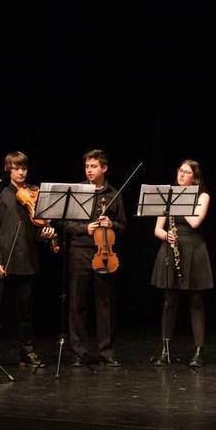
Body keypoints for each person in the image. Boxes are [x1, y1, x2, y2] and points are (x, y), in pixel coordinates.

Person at [0, 151, 53, 368]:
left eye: (24, 168)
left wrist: (45, 235)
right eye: (17, 168)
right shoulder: (0, 196)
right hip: (4, 261)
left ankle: (27, 352)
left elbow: (37, 231)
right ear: (9, 169)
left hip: (27, 261)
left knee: (25, 312)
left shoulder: (35, 193)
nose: (22, 172)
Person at [62, 149, 127, 367]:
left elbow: (123, 226)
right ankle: (79, 353)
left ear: (104, 168)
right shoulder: (77, 192)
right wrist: (85, 228)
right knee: (77, 303)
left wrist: (112, 225)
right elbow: (66, 224)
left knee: (105, 303)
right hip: (79, 251)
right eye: (87, 167)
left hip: (105, 253)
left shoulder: (114, 194)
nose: (89, 170)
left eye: (94, 166)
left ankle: (106, 352)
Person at [150, 160, 213, 368]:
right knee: (169, 301)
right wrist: (165, 234)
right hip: (171, 246)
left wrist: (177, 204)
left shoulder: (202, 196)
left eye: (186, 172)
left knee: (196, 301)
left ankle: (198, 350)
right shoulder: (167, 195)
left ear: (194, 177)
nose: (182, 174)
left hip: (194, 249)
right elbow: (158, 229)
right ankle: (165, 349)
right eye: (180, 170)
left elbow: (195, 222)